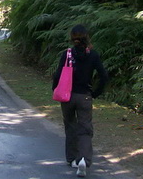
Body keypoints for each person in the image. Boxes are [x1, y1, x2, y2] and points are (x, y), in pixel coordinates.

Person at [52, 24, 108, 177]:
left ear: (72, 38)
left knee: (70, 126)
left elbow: (57, 75)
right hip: (84, 96)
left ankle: (71, 159)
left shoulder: (67, 54)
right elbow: (104, 76)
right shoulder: (93, 55)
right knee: (85, 129)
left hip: (67, 97)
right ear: (86, 37)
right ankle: (83, 159)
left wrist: (55, 89)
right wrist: (95, 93)